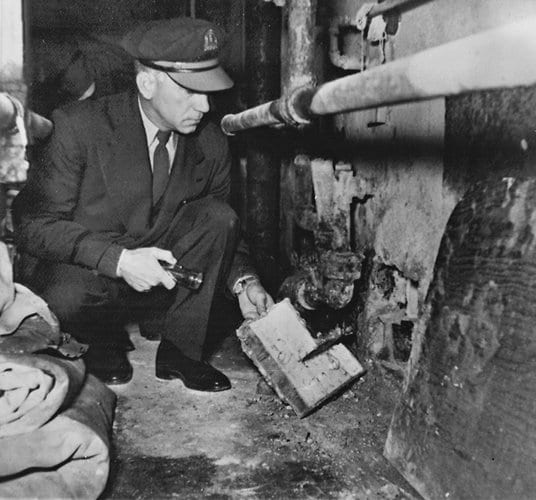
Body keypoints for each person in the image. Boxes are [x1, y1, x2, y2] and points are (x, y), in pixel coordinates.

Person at [13, 17, 274, 391]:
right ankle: (101, 339)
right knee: (66, 291)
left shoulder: (210, 142)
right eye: (190, 90)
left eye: (209, 90)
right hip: (92, 274)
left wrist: (244, 282)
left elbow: (222, 233)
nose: (204, 105)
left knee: (220, 217)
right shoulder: (78, 127)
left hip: (162, 280)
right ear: (147, 83)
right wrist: (118, 261)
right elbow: (32, 225)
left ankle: (181, 351)